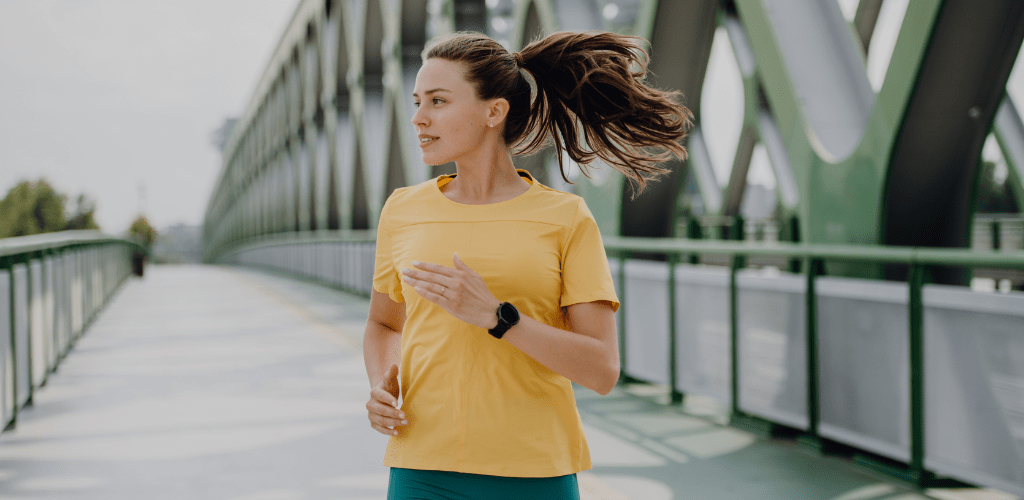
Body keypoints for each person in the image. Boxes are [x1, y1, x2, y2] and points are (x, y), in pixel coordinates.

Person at [363, 30, 692, 499]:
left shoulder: (564, 218)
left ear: (493, 112)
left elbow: (601, 369)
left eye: (437, 101)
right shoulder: (402, 209)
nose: (418, 118)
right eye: (417, 101)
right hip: (421, 468)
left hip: (533, 473)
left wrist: (498, 318)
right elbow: (383, 323)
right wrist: (381, 385)